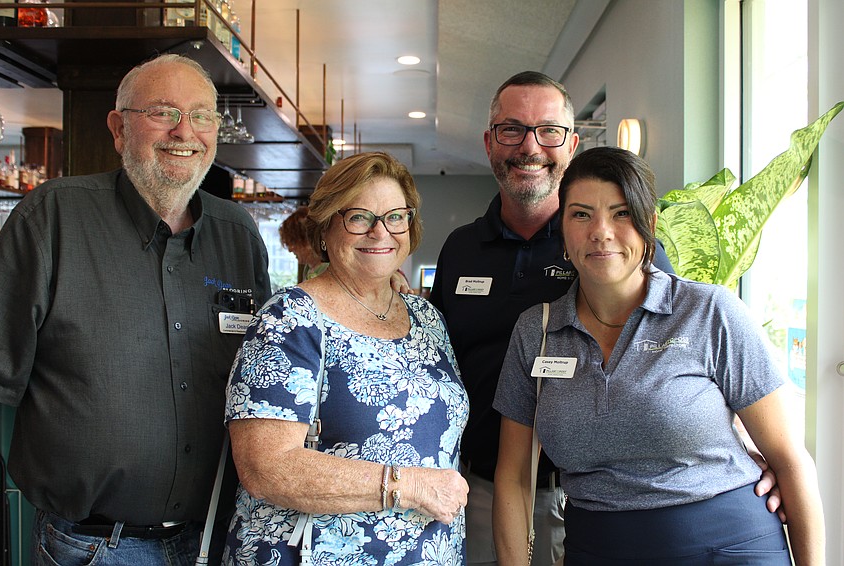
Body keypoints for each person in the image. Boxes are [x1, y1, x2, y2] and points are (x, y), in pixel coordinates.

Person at [0, 54, 272, 565]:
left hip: (217, 540)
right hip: (92, 545)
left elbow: (265, 376)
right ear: (119, 128)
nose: (185, 131)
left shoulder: (239, 237)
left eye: (202, 115)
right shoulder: (53, 218)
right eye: (163, 112)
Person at [493, 146, 825, 565]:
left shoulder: (709, 312)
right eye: (581, 214)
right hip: (599, 550)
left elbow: (790, 461)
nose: (601, 231)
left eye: (621, 213)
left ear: (649, 225)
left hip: (732, 547)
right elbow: (512, 478)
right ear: (562, 229)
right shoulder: (537, 332)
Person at [429, 71, 676, 565]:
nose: (531, 146)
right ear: (489, 141)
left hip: (598, 494)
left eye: (548, 131)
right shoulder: (460, 250)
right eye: (512, 129)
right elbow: (433, 359)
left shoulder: (615, 247)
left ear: (572, 144)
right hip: (477, 488)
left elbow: (676, 359)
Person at [224, 151, 469, 564]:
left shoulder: (427, 318)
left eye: (395, 216)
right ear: (325, 228)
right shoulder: (290, 320)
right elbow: (265, 467)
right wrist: (405, 486)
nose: (380, 233)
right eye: (359, 217)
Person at [279, 206, 328, 280]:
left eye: (293, 242)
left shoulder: (326, 270)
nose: (290, 250)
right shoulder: (308, 269)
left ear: (308, 240)